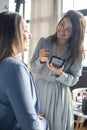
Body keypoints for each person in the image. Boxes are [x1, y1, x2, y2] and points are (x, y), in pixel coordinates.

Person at [30, 10, 86, 130]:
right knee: (38, 125)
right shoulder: (44, 41)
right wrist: (40, 61)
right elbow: (33, 68)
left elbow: (73, 80)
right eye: (62, 24)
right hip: (40, 90)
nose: (62, 30)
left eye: (69, 30)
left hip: (60, 95)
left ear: (75, 33)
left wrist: (59, 73)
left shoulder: (78, 53)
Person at [0, 11, 49, 130]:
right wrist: (44, 122)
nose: (30, 35)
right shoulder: (14, 67)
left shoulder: (4, 65)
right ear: (12, 33)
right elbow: (31, 127)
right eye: (25, 30)